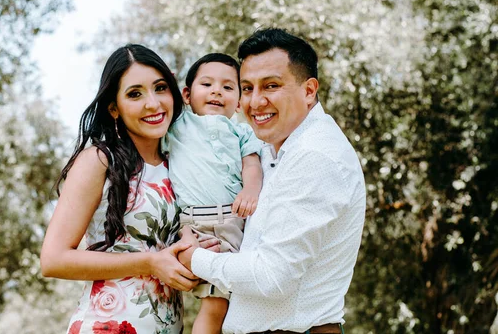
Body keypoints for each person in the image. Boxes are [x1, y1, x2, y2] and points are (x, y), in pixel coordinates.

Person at [178, 28, 366, 334]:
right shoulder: (271, 147)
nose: (255, 102)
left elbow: (272, 276)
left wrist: (194, 257)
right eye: (247, 88)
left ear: (309, 91)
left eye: (271, 86)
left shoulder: (316, 156)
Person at [41, 44, 208, 334]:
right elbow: (53, 259)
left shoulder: (180, 163)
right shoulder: (99, 160)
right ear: (113, 107)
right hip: (106, 326)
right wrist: (150, 263)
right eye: (135, 94)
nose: (153, 104)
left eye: (160, 88)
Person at [161, 53, 263, 333]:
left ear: (239, 102)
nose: (217, 90)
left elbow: (252, 164)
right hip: (192, 226)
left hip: (231, 223)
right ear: (186, 94)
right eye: (207, 84)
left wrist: (251, 189)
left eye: (228, 87)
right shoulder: (178, 126)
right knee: (214, 301)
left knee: (223, 303)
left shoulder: (242, 132)